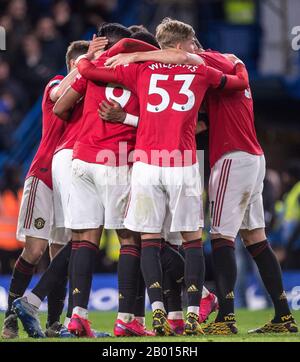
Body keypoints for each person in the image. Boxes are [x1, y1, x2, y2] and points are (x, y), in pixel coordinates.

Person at [106, 24, 298, 334]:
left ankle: (226, 316)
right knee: (255, 238)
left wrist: (138, 56)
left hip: (230, 157)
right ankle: (283, 316)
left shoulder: (206, 59)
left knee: (221, 238)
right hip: (252, 157)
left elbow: (181, 56)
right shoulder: (229, 63)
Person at [76, 18, 249, 336]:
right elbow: (235, 84)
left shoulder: (139, 70)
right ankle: (193, 312)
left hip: (146, 163)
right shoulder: (198, 69)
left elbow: (88, 72)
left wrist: (91, 54)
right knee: (192, 241)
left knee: (150, 241)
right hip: (182, 162)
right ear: (183, 44)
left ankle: (156, 309)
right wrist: (240, 68)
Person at [53, 23, 154, 338]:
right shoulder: (142, 69)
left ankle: (77, 317)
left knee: (84, 238)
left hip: (81, 160)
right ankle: (126, 318)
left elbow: (59, 106)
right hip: (116, 161)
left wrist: (88, 64)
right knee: (129, 238)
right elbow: (156, 121)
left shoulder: (92, 67)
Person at [1, 41, 89, 340]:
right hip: (44, 176)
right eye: (78, 62)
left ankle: (54, 324)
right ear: (69, 64)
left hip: (72, 181)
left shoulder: (91, 95)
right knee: (34, 250)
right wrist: (87, 62)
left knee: (60, 253)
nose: (83, 67)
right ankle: (10, 319)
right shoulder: (56, 84)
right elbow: (56, 93)